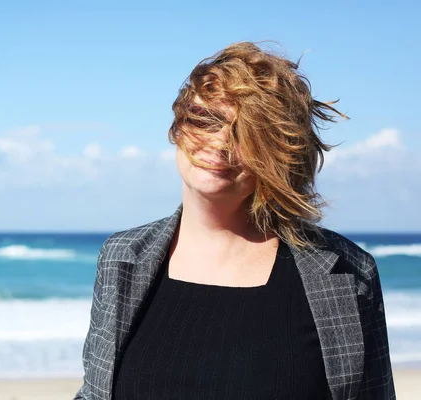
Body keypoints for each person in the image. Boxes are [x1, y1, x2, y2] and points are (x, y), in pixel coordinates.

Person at [75, 42, 395, 400]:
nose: (220, 143)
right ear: (178, 127)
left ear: (280, 153)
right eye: (205, 119)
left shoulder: (347, 273)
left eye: (247, 133)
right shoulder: (122, 257)